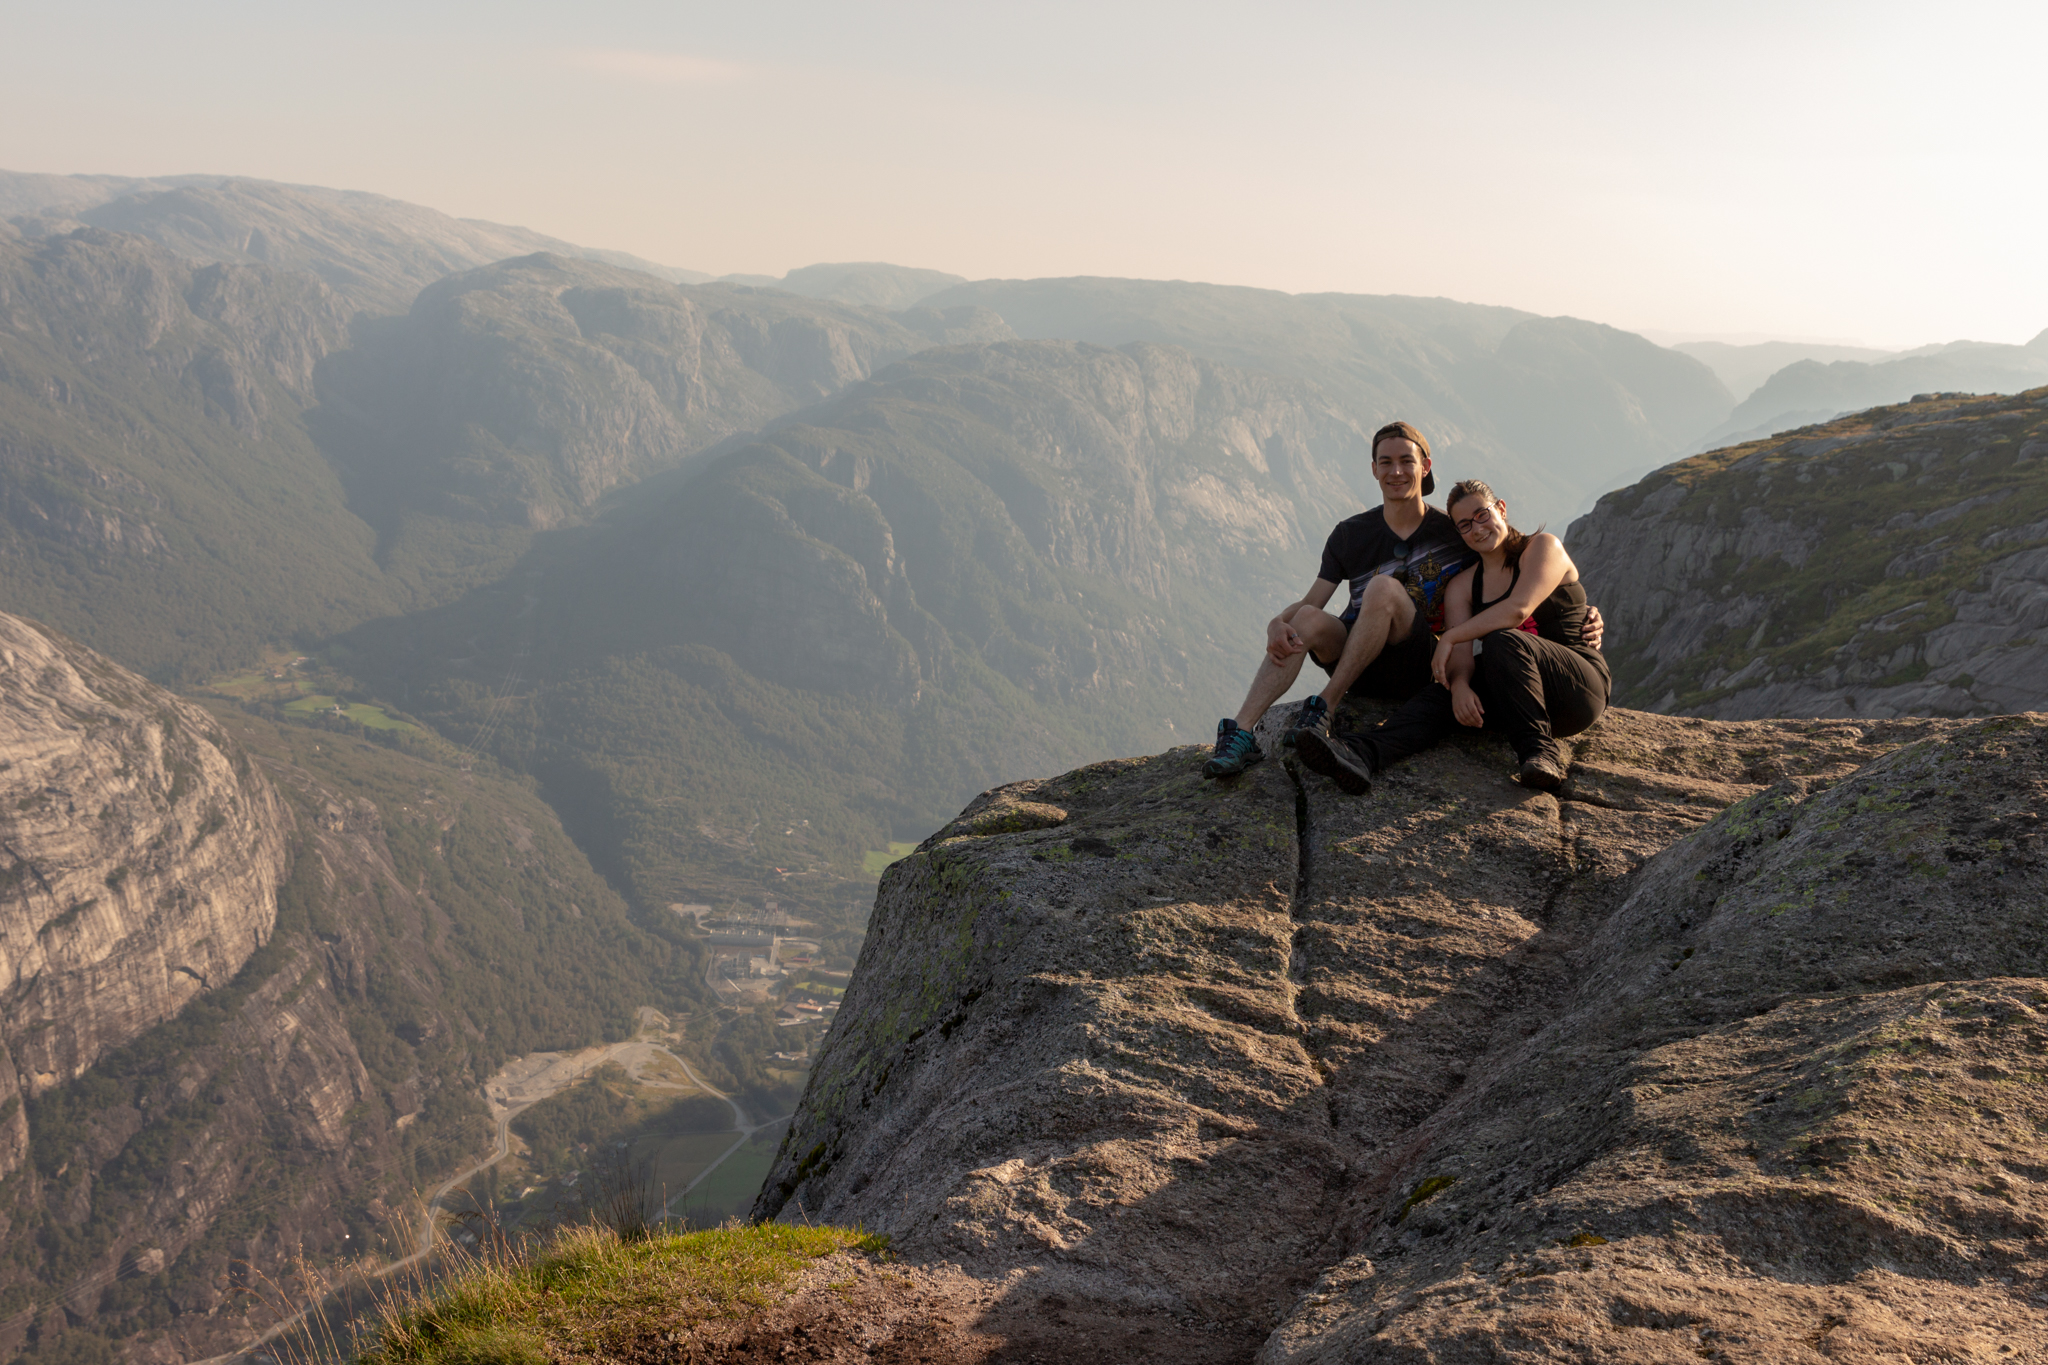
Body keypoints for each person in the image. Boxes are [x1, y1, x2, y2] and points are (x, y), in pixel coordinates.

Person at [1202, 423, 1601, 779]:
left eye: (1405, 461)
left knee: (1391, 593)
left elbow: (1519, 593)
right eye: (1385, 462)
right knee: (1306, 620)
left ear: (1425, 466)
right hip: (1366, 658)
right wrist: (1277, 622)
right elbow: (1313, 601)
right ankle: (1254, 735)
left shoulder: (1461, 534)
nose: (1396, 471)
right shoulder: (1353, 535)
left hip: (1428, 660)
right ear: (1373, 468)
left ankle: (1324, 708)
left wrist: (1582, 615)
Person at [1294, 478, 1611, 796]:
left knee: (1503, 640)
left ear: (1501, 509)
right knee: (1440, 694)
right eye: (1464, 525)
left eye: (1482, 515)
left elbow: (1518, 608)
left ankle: (1540, 755)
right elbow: (1461, 658)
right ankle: (1360, 754)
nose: (1477, 528)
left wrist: (1449, 637)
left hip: (1575, 689)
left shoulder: (1542, 548)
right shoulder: (1462, 587)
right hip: (1515, 696)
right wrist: (1459, 687)